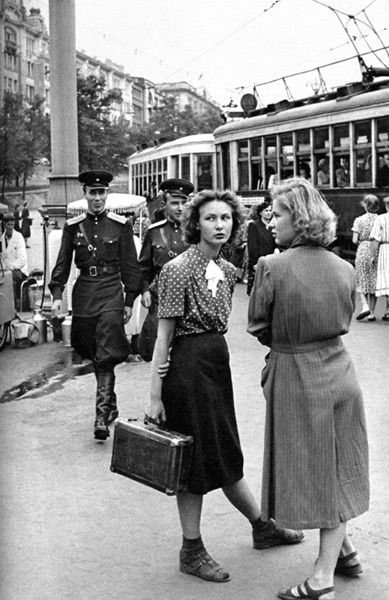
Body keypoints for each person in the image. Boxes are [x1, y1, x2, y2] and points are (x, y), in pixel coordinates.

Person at [145, 189, 304, 583]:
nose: (219, 225)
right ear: (194, 224)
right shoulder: (178, 269)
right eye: (210, 218)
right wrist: (153, 396)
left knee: (226, 451)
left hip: (216, 367)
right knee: (192, 460)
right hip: (186, 370)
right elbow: (163, 338)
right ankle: (191, 549)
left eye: (226, 218)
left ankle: (261, 526)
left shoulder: (229, 269)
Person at [248, 178, 369, 600]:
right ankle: (345, 551)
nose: (270, 220)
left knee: (312, 472)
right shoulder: (345, 268)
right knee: (336, 464)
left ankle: (321, 579)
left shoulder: (272, 266)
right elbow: (349, 316)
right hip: (340, 372)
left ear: (297, 219)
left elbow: (258, 326)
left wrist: (286, 345)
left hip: (296, 376)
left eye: (277, 213)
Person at [49, 170, 141, 441]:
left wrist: (128, 300)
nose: (98, 198)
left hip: (111, 292)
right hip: (84, 295)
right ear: (85, 194)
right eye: (93, 193)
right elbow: (63, 263)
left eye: (102, 193)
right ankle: (110, 403)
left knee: (106, 349)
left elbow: (130, 266)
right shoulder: (73, 227)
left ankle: (100, 417)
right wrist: (56, 295)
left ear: (107, 194)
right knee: (92, 348)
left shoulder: (121, 225)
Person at [138, 178, 194, 360]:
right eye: (174, 203)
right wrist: (145, 290)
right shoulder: (154, 232)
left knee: (187, 350)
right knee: (157, 350)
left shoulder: (196, 232)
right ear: (164, 205)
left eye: (184, 203)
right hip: (161, 297)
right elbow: (144, 267)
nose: (180, 208)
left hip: (191, 297)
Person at [351, 194, 379, 321]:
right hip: (376, 249)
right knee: (373, 281)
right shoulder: (380, 219)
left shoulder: (359, 220)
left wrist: (362, 242)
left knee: (361, 279)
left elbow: (354, 240)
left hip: (363, 249)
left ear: (365, 205)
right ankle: (372, 313)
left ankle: (365, 306)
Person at [246, 198, 276, 295]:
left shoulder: (273, 226)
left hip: (272, 260)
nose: (269, 213)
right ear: (260, 213)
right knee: (258, 291)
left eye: (270, 210)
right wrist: (254, 262)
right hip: (259, 260)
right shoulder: (254, 226)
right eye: (266, 210)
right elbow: (252, 246)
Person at [0, 213, 28, 310]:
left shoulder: (19, 237)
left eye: (12, 225)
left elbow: (22, 260)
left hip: (19, 270)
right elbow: (2, 258)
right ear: (4, 225)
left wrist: (11, 268)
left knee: (9, 280)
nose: (10, 227)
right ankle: (4, 307)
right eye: (8, 225)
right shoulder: (1, 238)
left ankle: (13, 308)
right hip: (7, 270)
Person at [370, 195, 389, 320]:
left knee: (386, 278)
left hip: (385, 250)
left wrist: (372, 256)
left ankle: (388, 310)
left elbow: (375, 239)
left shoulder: (381, 219)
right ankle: (388, 309)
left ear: (387, 205)